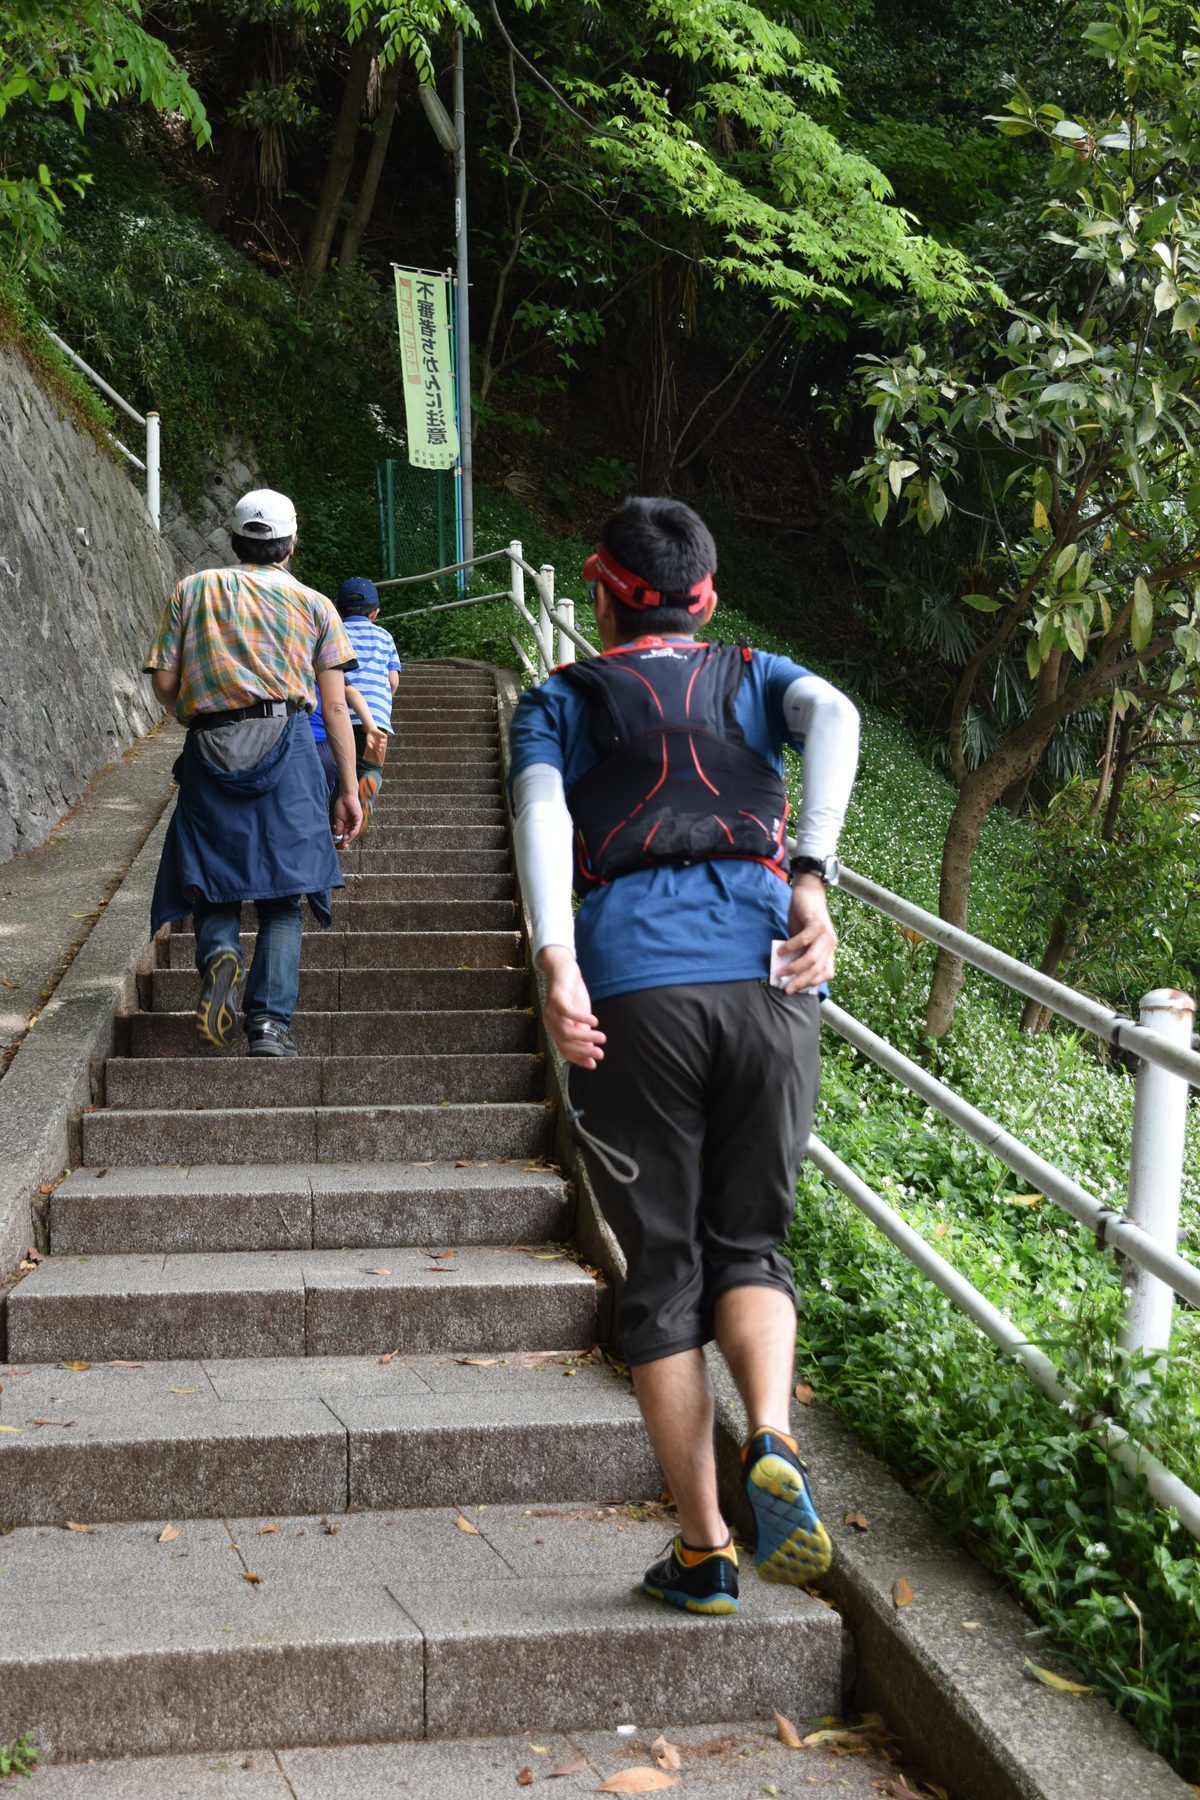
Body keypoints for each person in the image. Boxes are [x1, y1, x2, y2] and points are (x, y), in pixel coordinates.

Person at [509, 496, 860, 1615]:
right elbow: (839, 715)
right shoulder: (757, 674)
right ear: (706, 595)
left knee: (664, 1272)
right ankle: (773, 1432)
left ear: (604, 593)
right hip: (772, 979)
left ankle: (706, 1550)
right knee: (750, 1241)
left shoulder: (561, 697)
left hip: (634, 991)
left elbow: (543, 814)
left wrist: (556, 959)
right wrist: (812, 872)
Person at [144, 488, 363, 1058]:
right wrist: (347, 785)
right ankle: (267, 1027)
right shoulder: (316, 605)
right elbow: (335, 706)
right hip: (286, 745)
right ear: (291, 543)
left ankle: (220, 951)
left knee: (212, 876)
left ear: (235, 537)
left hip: (210, 744)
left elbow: (165, 681)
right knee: (283, 894)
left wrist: (199, 713)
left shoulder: (192, 590)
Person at [310, 577, 400, 829]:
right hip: (376, 719)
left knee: (340, 771)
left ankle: (335, 823)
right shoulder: (385, 637)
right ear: (375, 612)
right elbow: (393, 680)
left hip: (337, 717)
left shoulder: (331, 634)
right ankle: (365, 797)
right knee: (372, 767)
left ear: (338, 611)